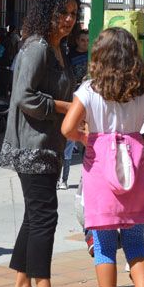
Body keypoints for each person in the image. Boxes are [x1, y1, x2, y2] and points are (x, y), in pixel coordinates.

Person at [60, 27, 144, 287]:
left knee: (105, 247)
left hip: (100, 174)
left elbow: (67, 127)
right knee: (136, 244)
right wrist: (139, 138)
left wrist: (89, 138)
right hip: (135, 174)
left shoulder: (89, 90)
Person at [0, 0, 81, 287]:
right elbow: (25, 98)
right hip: (32, 147)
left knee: (36, 216)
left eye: (73, 14)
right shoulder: (37, 48)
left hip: (47, 145)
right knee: (45, 216)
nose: (67, 19)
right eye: (62, 12)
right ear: (46, 12)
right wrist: (68, 107)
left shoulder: (57, 48)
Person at [59, 29, 90, 189]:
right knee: (69, 140)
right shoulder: (70, 57)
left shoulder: (93, 56)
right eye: (83, 40)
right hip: (75, 97)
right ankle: (63, 178)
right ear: (77, 41)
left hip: (90, 100)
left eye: (87, 40)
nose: (85, 43)